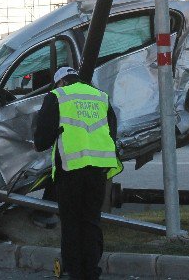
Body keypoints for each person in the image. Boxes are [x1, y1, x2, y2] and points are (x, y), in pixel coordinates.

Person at [34, 66, 122, 280]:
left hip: (70, 168)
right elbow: (111, 130)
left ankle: (74, 271)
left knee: (71, 221)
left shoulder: (57, 96)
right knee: (91, 220)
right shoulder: (100, 96)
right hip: (99, 168)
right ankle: (91, 271)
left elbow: (41, 140)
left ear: (60, 82)